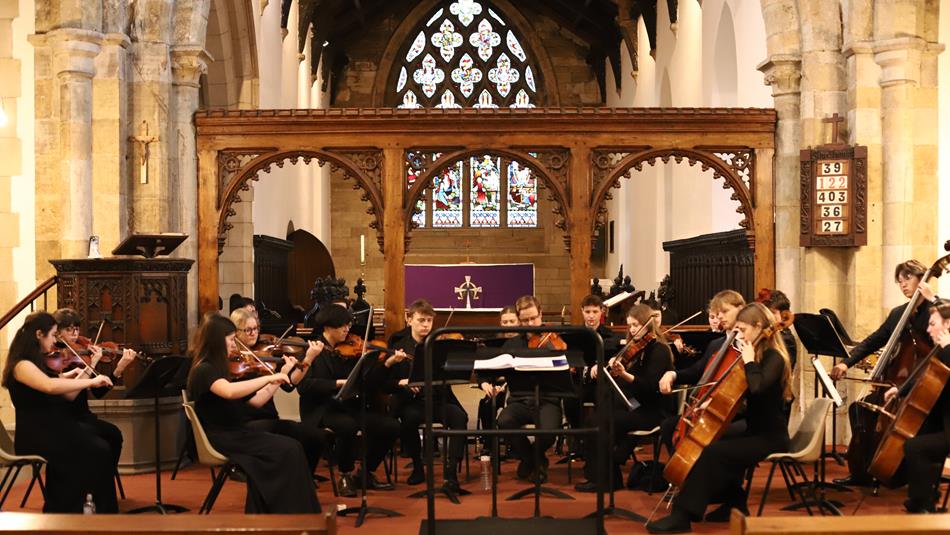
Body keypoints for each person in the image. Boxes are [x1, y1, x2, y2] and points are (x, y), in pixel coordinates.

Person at [646, 303, 792, 533]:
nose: (740, 335)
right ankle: (736, 502)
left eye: (743, 329)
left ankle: (683, 516)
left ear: (759, 326)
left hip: (771, 436)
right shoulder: (755, 354)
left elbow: (757, 388)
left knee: (713, 453)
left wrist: (750, 360)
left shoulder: (774, 357)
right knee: (711, 445)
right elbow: (744, 401)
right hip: (752, 430)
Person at [187, 313, 320, 513]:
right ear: (216, 341)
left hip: (237, 432)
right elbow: (229, 392)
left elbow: (256, 402)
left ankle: (276, 511)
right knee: (288, 450)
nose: (234, 344)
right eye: (231, 339)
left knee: (293, 447)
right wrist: (267, 378)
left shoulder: (222, 368)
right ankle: (290, 512)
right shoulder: (204, 369)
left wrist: (279, 378)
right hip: (222, 436)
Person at [830, 260, 936, 486]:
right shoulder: (898, 313)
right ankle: (862, 470)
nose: (903, 285)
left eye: (908, 278)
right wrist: (846, 364)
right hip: (898, 385)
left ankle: (902, 470)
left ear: (921, 278)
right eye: (899, 281)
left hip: (927, 387)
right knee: (860, 409)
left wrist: (932, 300)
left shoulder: (936, 309)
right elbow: (874, 340)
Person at [3, 312, 118, 512]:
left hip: (52, 428)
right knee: (96, 450)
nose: (55, 340)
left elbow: (68, 396)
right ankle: (73, 510)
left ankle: (87, 508)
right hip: (35, 434)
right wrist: (91, 380)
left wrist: (81, 373)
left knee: (100, 447)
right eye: (53, 334)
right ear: (39, 334)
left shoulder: (37, 363)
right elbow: (49, 386)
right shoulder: (21, 365)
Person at [296, 304, 399, 497]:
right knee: (348, 426)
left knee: (390, 426)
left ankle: (365, 473)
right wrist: (337, 383)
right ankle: (345, 474)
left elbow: (367, 382)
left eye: (348, 325)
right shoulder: (312, 350)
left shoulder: (351, 350)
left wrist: (385, 364)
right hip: (322, 410)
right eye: (342, 326)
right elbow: (304, 387)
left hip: (348, 406)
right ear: (327, 327)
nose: (347, 329)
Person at [575, 304, 675, 492]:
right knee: (595, 418)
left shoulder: (659, 350)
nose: (632, 330)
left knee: (603, 421)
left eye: (636, 325)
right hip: (636, 406)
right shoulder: (636, 349)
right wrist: (613, 366)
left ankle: (606, 479)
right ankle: (604, 475)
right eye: (630, 325)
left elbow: (648, 388)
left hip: (653, 410)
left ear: (648, 325)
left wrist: (625, 375)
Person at [230, 308, 327, 475]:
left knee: (316, 437)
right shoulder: (234, 362)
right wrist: (278, 375)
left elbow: (292, 382)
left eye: (256, 328)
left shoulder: (266, 353)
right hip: (246, 422)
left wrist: (309, 358)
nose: (254, 333)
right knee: (294, 442)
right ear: (235, 333)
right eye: (248, 330)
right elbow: (255, 402)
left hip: (269, 418)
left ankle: (304, 478)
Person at [52, 308, 137, 492]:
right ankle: (95, 486)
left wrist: (119, 369)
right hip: (67, 419)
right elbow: (69, 394)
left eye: (76, 329)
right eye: (69, 330)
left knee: (114, 435)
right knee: (102, 444)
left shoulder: (79, 356)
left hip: (84, 416)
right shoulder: (57, 358)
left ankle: (102, 482)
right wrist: (92, 363)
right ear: (57, 332)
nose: (75, 334)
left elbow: (97, 393)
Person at [388, 299, 468, 491]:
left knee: (460, 417)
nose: (426, 325)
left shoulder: (439, 342)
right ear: (409, 319)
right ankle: (417, 466)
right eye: (421, 320)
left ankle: (451, 471)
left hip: (438, 398)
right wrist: (405, 383)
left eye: (429, 321)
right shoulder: (398, 343)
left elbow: (450, 374)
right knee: (409, 419)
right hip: (411, 401)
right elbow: (390, 377)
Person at [882, 299, 950, 513]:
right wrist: (900, 390)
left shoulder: (948, 350)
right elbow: (924, 372)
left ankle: (924, 505)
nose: (928, 329)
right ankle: (924, 496)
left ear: (948, 324)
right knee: (914, 437)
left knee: (915, 447)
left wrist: (947, 348)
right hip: (943, 422)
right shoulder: (942, 350)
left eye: (933, 324)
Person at [494, 295, 564, 483]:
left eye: (534, 318)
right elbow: (491, 369)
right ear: (519, 319)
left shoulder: (553, 339)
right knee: (504, 421)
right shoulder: (511, 344)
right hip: (520, 400)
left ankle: (530, 459)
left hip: (548, 399)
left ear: (541, 314)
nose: (530, 323)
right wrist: (485, 381)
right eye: (525, 320)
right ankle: (535, 460)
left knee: (549, 431)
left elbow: (567, 368)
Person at [476, 307, 516, 453]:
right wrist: (484, 383)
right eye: (505, 322)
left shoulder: (524, 341)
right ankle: (490, 443)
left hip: (519, 388)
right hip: (498, 386)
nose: (509, 325)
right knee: (487, 404)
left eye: (512, 321)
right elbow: (482, 370)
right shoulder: (493, 343)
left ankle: (513, 443)